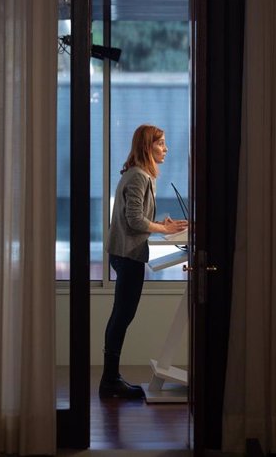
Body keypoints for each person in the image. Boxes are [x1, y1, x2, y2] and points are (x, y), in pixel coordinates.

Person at [100, 124, 188, 399]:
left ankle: (110, 378)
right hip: (128, 255)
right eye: (161, 144)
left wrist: (163, 224)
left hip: (125, 254)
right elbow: (135, 221)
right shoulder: (139, 176)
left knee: (121, 316)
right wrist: (165, 230)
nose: (166, 149)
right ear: (146, 147)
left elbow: (138, 217)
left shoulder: (139, 175)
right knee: (122, 316)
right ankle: (110, 380)